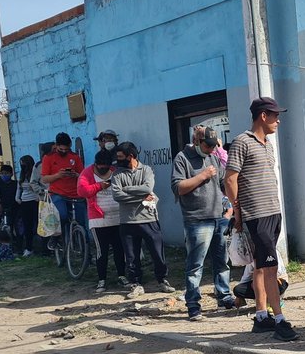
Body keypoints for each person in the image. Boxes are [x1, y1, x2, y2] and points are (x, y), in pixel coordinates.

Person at [224, 96, 298, 342]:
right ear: (263, 116)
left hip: (272, 213)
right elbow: (230, 179)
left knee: (259, 267)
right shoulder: (241, 142)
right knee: (270, 267)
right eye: (275, 115)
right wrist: (237, 212)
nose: (278, 120)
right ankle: (279, 320)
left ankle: (260, 317)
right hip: (256, 215)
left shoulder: (268, 144)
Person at [172, 125, 234, 320]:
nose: (211, 150)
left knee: (222, 261)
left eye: (214, 146)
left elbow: (224, 183)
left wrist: (230, 209)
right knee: (195, 265)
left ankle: (224, 297)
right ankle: (193, 304)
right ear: (197, 142)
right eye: (208, 146)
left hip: (218, 217)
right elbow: (179, 187)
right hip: (197, 220)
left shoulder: (214, 157)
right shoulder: (182, 158)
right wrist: (203, 175)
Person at [111, 142, 174, 297]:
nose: (117, 160)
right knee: (131, 257)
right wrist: (139, 197)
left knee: (157, 253)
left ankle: (162, 280)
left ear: (130, 156)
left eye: (120, 157)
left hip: (149, 219)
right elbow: (117, 195)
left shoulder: (146, 170)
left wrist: (126, 190)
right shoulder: (117, 174)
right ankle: (136, 283)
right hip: (128, 221)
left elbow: (147, 188)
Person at [77, 149, 127, 292]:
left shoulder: (115, 171)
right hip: (98, 219)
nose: (104, 169)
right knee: (101, 251)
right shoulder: (87, 173)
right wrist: (100, 186)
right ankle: (102, 280)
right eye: (101, 166)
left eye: (106, 166)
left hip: (118, 217)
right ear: (96, 164)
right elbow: (82, 191)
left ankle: (122, 275)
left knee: (119, 248)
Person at [39, 132, 87, 241]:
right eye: (61, 149)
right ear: (56, 146)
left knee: (82, 221)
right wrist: (58, 175)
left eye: (66, 149)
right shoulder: (48, 157)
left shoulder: (75, 157)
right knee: (62, 215)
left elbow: (83, 175)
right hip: (58, 194)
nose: (64, 152)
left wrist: (76, 175)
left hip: (76, 194)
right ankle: (56, 238)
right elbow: (44, 179)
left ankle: (85, 250)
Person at [15, 155, 43, 256]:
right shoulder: (22, 175)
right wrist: (17, 198)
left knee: (39, 224)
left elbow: (38, 185)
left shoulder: (35, 173)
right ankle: (28, 247)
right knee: (27, 226)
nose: (22, 166)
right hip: (24, 202)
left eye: (24, 164)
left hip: (35, 201)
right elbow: (19, 188)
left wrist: (38, 196)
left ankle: (43, 247)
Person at [0, 164, 17, 242]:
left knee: (17, 228)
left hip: (16, 208)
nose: (4, 175)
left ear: (11, 174)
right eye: (2, 173)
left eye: (6, 173)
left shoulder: (15, 184)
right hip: (5, 209)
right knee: (7, 227)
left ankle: (18, 245)